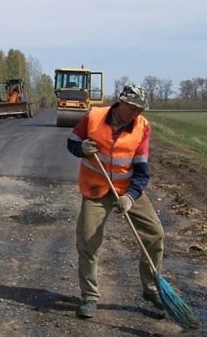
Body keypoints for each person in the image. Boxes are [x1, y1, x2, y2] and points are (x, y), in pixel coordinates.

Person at [66, 85, 165, 319]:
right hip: (95, 189)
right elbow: (71, 142)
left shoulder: (142, 127)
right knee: (88, 241)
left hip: (126, 189)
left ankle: (151, 289)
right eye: (132, 107)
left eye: (139, 109)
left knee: (155, 234)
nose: (135, 113)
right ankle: (89, 297)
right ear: (120, 102)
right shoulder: (94, 116)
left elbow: (142, 171)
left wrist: (130, 198)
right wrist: (81, 148)